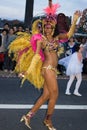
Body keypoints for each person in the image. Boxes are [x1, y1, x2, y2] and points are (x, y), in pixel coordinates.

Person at [8, 1, 82, 129]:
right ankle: (48, 120)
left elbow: (69, 34)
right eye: (45, 27)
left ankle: (28, 116)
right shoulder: (41, 40)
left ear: (54, 28)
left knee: (46, 95)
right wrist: (29, 71)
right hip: (47, 68)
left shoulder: (57, 38)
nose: (47, 29)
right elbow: (37, 56)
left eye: (50, 27)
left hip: (53, 69)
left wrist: (75, 20)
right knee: (55, 95)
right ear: (42, 28)